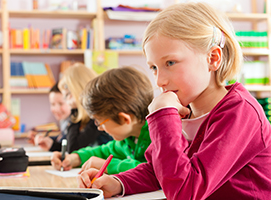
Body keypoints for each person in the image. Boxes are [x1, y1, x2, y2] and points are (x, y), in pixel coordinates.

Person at [77, 2, 271, 199]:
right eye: (154, 67)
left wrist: (162, 116)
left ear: (212, 58)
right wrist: (119, 182)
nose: (160, 80)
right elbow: (159, 170)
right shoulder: (183, 107)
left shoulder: (239, 112)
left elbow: (185, 191)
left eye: (170, 63)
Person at [51, 67, 153, 174]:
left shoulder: (158, 138)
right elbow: (104, 151)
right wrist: (74, 158)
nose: (99, 127)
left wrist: (107, 166)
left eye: (99, 122)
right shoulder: (128, 139)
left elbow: (154, 170)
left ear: (123, 119)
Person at [58, 63, 112, 154]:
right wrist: (51, 144)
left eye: (67, 95)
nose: (66, 100)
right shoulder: (86, 119)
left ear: (76, 91)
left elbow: (73, 148)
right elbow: (66, 142)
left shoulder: (97, 116)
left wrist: (75, 111)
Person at [27, 82, 71, 151]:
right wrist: (44, 139)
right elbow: (61, 138)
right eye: (53, 104)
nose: (56, 109)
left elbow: (68, 144)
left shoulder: (74, 122)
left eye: (61, 103)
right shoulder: (64, 121)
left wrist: (51, 143)